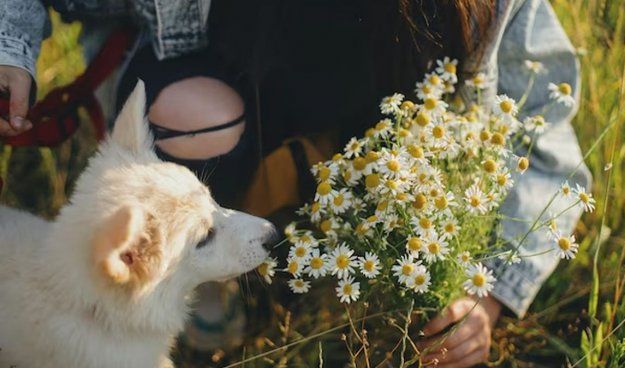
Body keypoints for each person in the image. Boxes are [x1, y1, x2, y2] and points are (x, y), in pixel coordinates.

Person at [0, 0, 591, 366]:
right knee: (194, 114)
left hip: (371, 167)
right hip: (216, 116)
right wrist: (12, 50)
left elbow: (548, 138)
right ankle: (199, 283)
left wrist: (488, 295)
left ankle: (340, 265)